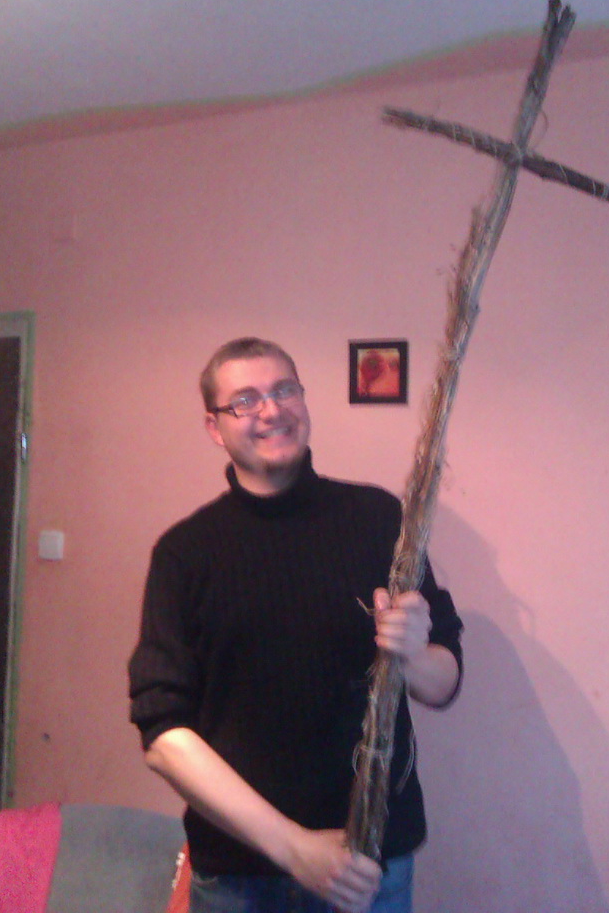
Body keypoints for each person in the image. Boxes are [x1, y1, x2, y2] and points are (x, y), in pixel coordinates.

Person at [129, 337, 463, 913]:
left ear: (303, 401)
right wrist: (294, 848)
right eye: (245, 400)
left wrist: (413, 654)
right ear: (214, 427)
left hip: (369, 867)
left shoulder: (379, 518)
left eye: (284, 389)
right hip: (239, 877)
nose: (270, 409)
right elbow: (164, 734)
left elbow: (444, 683)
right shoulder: (184, 553)